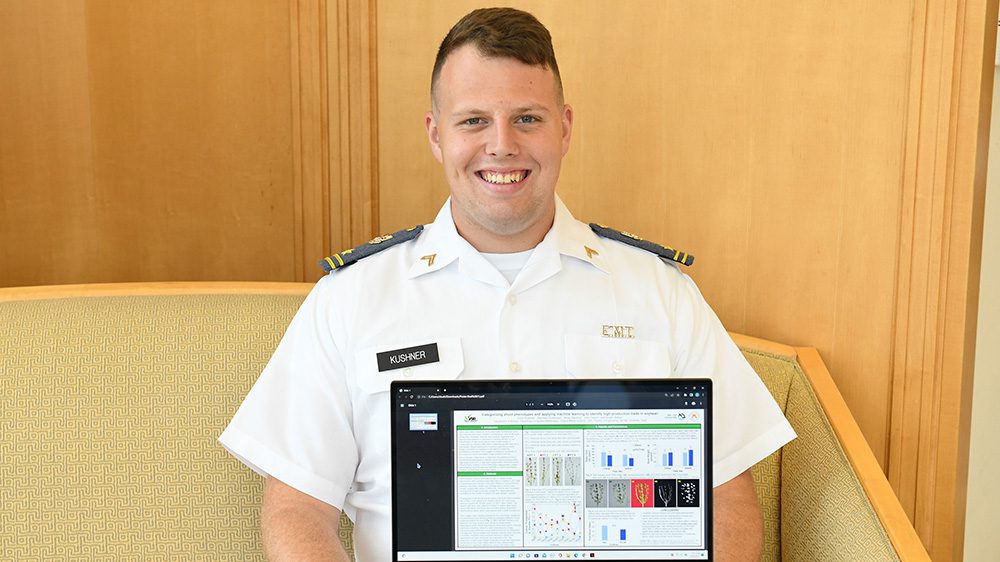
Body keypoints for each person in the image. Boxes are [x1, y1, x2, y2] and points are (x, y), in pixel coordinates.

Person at [220, 7, 795, 561]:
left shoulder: (660, 292)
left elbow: (726, 500)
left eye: (527, 118)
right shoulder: (351, 299)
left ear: (563, 128)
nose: (501, 145)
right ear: (436, 134)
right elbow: (297, 511)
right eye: (474, 120)